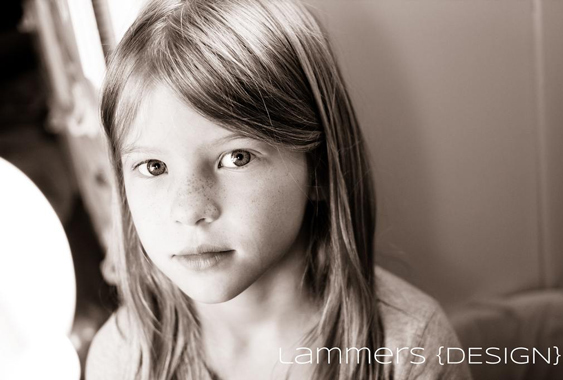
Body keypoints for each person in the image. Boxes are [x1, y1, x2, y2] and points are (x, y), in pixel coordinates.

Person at [86, 1, 472, 379]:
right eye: (154, 167)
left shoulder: (410, 349)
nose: (189, 209)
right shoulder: (120, 359)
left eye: (237, 157)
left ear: (318, 168)